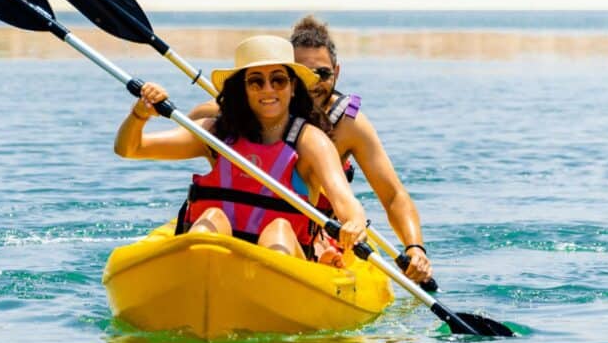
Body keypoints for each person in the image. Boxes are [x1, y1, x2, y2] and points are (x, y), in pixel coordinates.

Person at [190, 17, 433, 282]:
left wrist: (414, 247)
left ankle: (323, 258)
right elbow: (198, 120)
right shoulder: (253, 110)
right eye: (305, 73)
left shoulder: (348, 126)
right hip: (238, 222)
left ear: (337, 73)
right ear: (292, 75)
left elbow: (393, 195)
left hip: (307, 233)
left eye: (324, 73)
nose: (314, 82)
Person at [115, 34, 368, 260]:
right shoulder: (216, 133)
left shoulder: (311, 141)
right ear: (243, 89)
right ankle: (199, 270)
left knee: (278, 230)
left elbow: (345, 201)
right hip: (215, 262)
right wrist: (140, 114)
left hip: (285, 264)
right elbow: (130, 148)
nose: (268, 89)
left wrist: (355, 223)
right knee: (211, 218)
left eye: (278, 80)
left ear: (292, 88)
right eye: (256, 81)